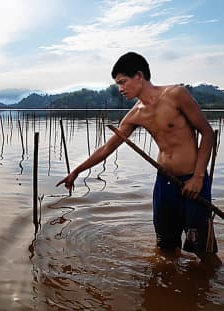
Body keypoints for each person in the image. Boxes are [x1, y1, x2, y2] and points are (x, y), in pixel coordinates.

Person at [56, 52, 222, 268]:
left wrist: (199, 177)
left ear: (139, 76)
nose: (120, 89)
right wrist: (76, 171)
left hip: (193, 179)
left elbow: (207, 133)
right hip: (165, 183)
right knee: (165, 248)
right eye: (118, 84)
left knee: (204, 251)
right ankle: (174, 293)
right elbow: (107, 148)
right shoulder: (136, 114)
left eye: (123, 82)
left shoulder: (176, 95)